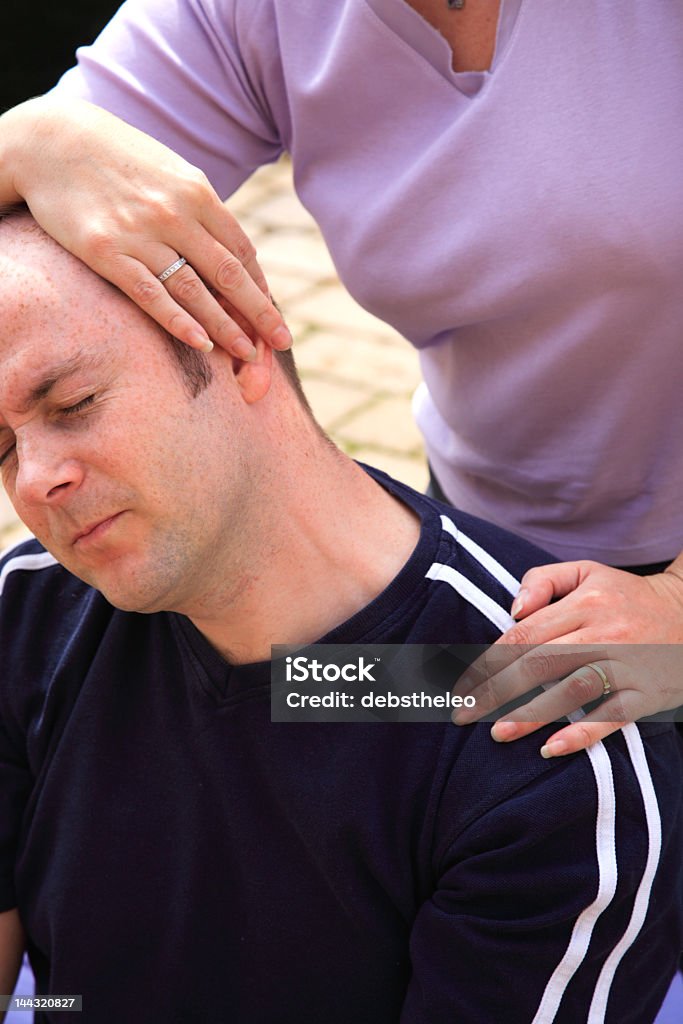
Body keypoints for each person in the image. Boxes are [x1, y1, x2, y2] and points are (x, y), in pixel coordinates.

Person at [0, 211, 681, 1023]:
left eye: (73, 401)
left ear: (239, 345)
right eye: (0, 448)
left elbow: (346, 694)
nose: (34, 481)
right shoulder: (28, 615)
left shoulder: (535, 715)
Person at [1, 0, 682, 756]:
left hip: (669, 576)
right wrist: (29, 137)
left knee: (613, 806)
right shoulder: (254, 14)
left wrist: (677, 609)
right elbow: (45, 218)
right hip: (497, 537)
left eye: (76, 402)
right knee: (331, 711)